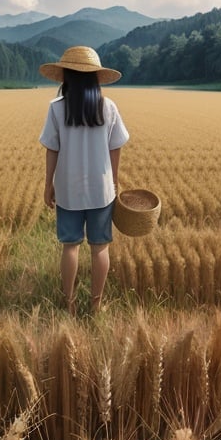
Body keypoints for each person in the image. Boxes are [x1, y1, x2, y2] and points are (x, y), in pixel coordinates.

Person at [39, 46, 129, 315]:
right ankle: (96, 305)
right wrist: (113, 182)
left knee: (70, 246)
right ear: (95, 78)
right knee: (100, 247)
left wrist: (48, 185)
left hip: (68, 189)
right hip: (101, 191)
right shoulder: (108, 107)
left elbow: (51, 149)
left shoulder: (57, 109)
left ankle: (69, 304)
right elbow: (116, 148)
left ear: (66, 77)